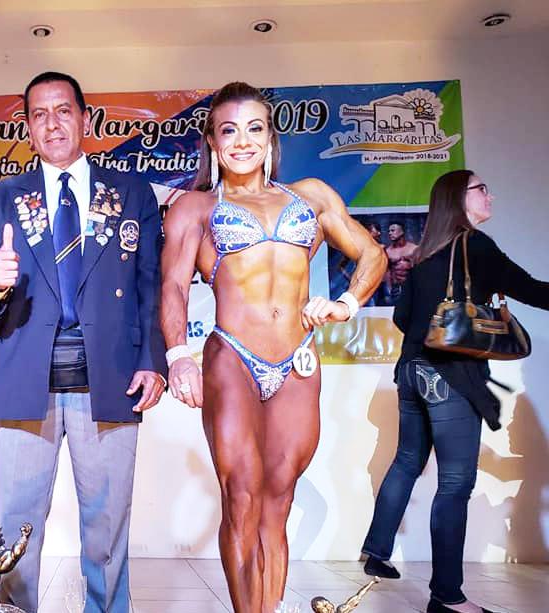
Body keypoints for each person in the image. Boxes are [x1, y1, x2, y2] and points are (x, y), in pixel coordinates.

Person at [160, 82, 386, 613]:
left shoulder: (311, 197)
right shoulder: (195, 207)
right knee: (241, 492)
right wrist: (177, 357)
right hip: (231, 357)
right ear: (212, 142)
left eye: (254, 128)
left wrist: (346, 304)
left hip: (297, 360)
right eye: (229, 130)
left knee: (278, 498)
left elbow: (371, 254)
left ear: (270, 138)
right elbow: (172, 285)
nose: (242, 141)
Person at [0, 71, 167, 613]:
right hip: (26, 374)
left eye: (62, 111)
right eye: (39, 114)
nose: (51, 124)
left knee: (107, 522)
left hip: (112, 374)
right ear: (28, 127)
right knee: (16, 524)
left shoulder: (131, 193)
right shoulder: (2, 198)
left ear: (84, 117)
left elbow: (149, 283)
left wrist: (153, 361)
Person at [361, 170, 549, 613]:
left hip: (411, 372)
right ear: (459, 199)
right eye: (482, 189)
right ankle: (447, 597)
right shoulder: (475, 246)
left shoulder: (426, 254)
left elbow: (403, 318)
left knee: (407, 460)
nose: (490, 195)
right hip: (450, 376)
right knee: (455, 484)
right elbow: (533, 291)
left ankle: (377, 550)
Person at [386, 220, 419, 303]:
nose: (390, 233)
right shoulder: (388, 251)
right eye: (389, 231)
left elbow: (420, 270)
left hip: (412, 286)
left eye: (393, 230)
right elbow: (387, 272)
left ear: (402, 231)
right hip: (396, 287)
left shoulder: (414, 249)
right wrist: (389, 290)